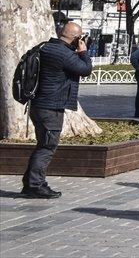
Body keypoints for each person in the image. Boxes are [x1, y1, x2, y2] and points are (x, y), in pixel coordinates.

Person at [21, 20, 93, 198]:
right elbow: (85, 69)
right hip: (50, 108)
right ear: (76, 38)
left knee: (42, 145)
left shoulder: (45, 47)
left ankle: (32, 182)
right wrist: (83, 52)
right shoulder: (63, 54)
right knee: (47, 147)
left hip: (37, 105)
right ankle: (35, 186)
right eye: (81, 37)